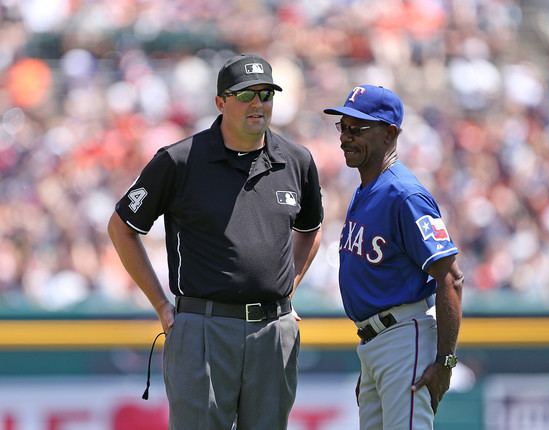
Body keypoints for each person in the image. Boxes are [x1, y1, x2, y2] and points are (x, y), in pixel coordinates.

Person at [108, 53, 323, 430]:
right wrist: (161, 304)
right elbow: (122, 226)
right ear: (220, 102)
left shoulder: (296, 160)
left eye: (266, 94)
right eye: (245, 95)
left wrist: (291, 288)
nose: (258, 104)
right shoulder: (180, 160)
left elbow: (311, 229)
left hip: (273, 330)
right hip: (204, 326)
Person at [323, 85, 464, 430]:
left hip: (403, 337)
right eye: (343, 126)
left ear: (389, 134)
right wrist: (373, 362)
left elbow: (451, 277)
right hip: (375, 345)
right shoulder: (366, 189)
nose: (346, 137)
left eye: (357, 129)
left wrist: (445, 362)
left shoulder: (404, 194)